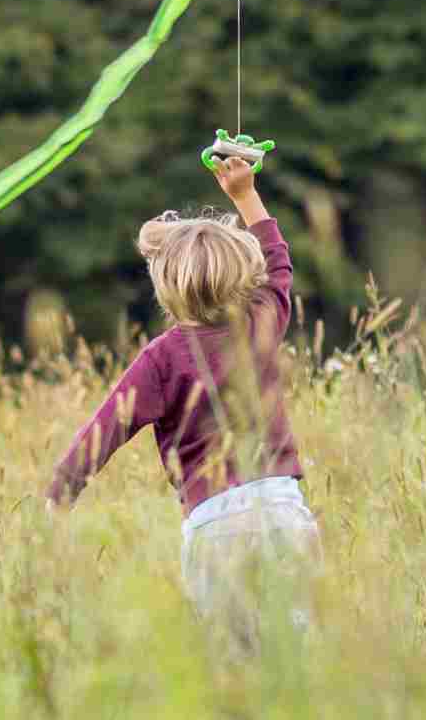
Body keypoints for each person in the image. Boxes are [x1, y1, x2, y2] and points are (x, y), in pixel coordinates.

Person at [43, 143, 318, 649]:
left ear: (166, 285)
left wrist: (58, 497)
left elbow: (102, 432)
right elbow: (279, 263)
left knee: (231, 659)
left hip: (216, 525)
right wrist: (246, 195)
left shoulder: (162, 358)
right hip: (283, 512)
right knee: (293, 654)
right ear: (244, 273)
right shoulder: (260, 323)